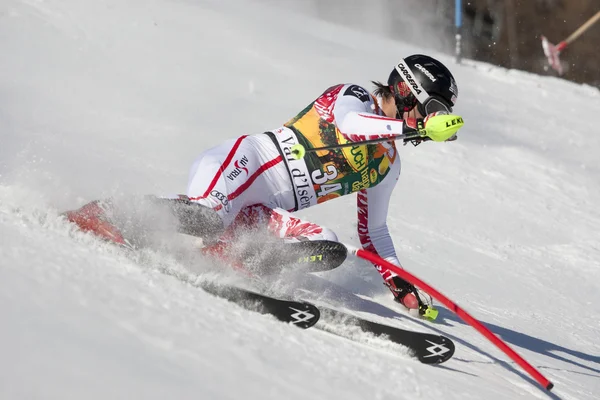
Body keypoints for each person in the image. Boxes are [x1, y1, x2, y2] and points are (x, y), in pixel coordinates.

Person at [64, 54, 462, 311]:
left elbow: (374, 230)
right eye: (432, 109)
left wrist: (399, 284)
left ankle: (234, 258)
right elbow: (349, 125)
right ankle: (111, 212)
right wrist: (414, 131)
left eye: (439, 115)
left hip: (265, 208)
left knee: (328, 245)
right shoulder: (354, 96)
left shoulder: (387, 164)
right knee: (210, 217)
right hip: (245, 163)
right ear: (407, 91)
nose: (430, 121)